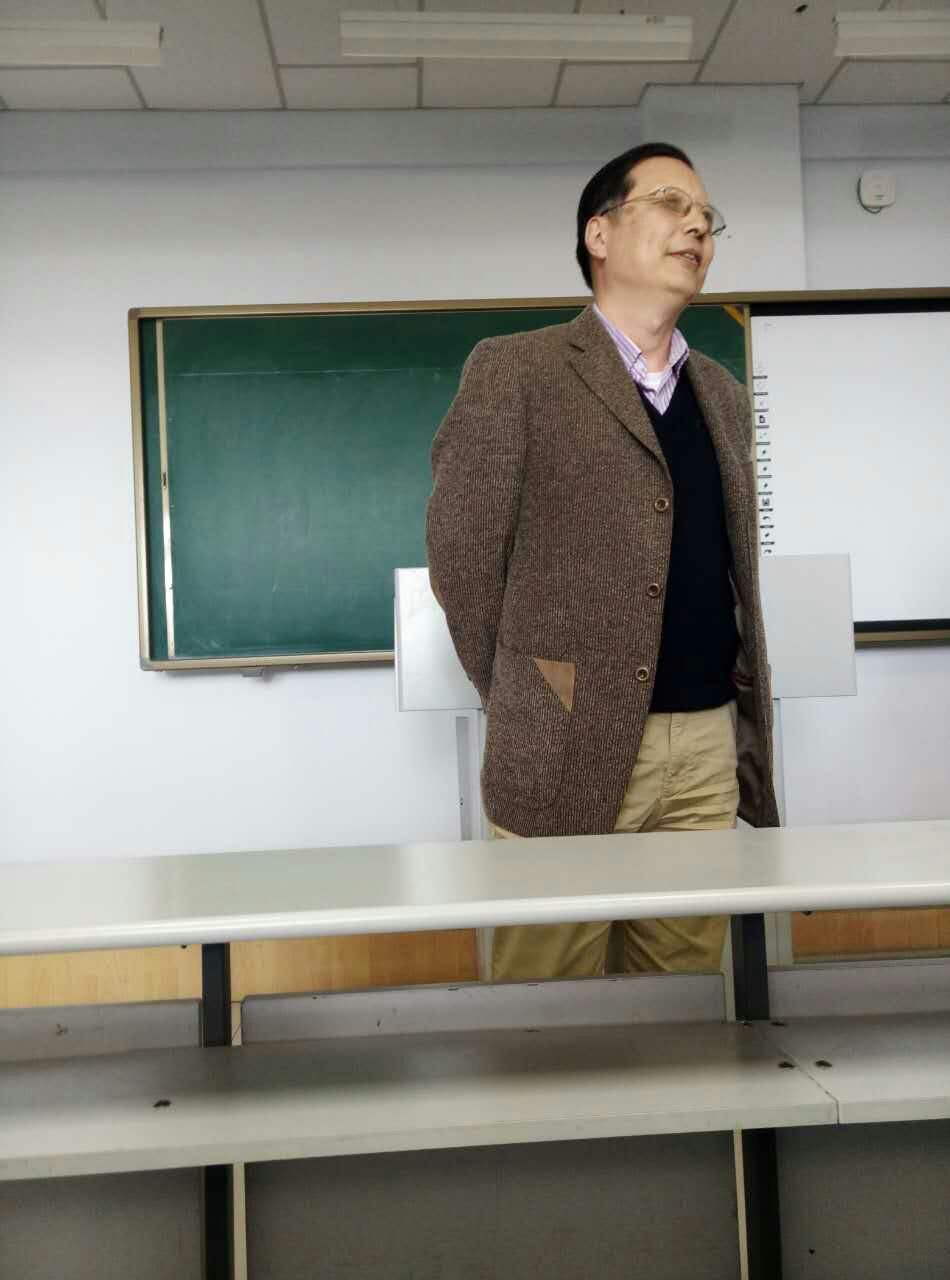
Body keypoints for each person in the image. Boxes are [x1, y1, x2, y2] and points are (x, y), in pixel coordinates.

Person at [426, 142, 779, 982]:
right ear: (599, 234)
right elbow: (463, 558)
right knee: (548, 1008)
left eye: (707, 217)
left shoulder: (723, 393)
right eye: (671, 204)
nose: (697, 226)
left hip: (705, 747)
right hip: (565, 739)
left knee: (684, 1003)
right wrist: (533, 692)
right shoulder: (517, 370)